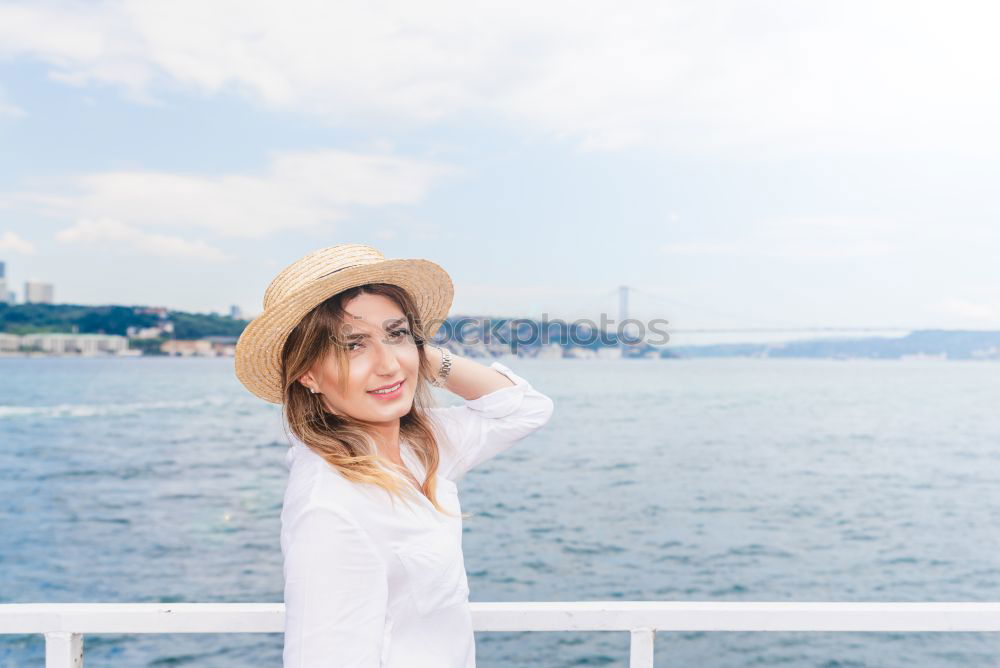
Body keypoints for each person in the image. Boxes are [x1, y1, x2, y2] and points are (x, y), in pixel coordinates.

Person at [233, 244, 555, 667]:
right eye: (353, 345)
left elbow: (525, 408)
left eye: (396, 332)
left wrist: (417, 356)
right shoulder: (330, 506)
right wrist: (398, 348)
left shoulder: (419, 445)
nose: (387, 366)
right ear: (308, 373)